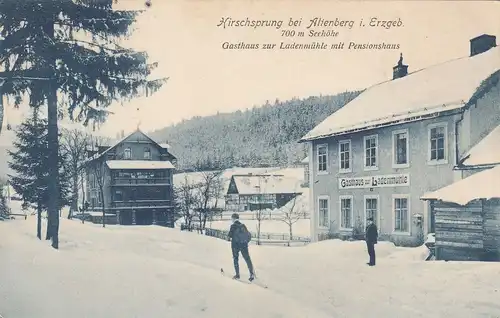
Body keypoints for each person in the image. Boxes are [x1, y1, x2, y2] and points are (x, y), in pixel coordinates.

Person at [227, 213, 255, 281]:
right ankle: (251, 274)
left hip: (235, 245)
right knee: (247, 259)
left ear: (233, 218)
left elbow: (229, 235)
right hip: (243, 245)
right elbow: (248, 235)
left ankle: (237, 275)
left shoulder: (233, 226)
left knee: (236, 259)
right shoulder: (243, 226)